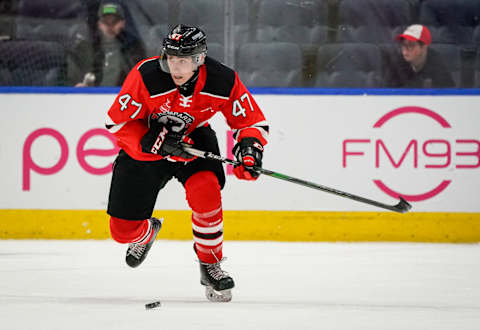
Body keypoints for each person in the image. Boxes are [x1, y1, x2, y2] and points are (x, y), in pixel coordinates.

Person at [104, 24, 269, 302]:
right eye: (171, 59)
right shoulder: (146, 75)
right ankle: (146, 233)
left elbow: (250, 121)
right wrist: (147, 141)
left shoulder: (222, 80)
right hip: (147, 145)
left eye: (183, 61)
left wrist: (250, 149)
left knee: (206, 190)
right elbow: (116, 122)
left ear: (199, 59)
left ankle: (210, 265)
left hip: (193, 142)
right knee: (122, 232)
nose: (176, 68)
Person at [74, 1, 145, 86]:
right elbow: (73, 77)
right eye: (105, 22)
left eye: (114, 22)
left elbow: (142, 78)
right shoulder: (85, 48)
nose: (110, 26)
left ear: (123, 23)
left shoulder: (134, 49)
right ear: (99, 24)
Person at [384, 24, 455, 88]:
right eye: (403, 45)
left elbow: (449, 94)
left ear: (424, 47)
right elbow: (386, 93)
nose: (405, 50)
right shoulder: (397, 64)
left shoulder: (437, 65)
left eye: (411, 45)